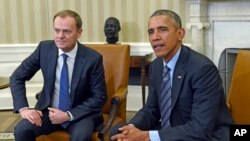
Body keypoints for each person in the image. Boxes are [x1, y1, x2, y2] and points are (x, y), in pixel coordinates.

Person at [110, 9, 233, 141]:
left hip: (206, 134)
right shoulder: (156, 66)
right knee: (116, 133)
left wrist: (146, 136)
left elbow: (200, 129)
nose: (155, 37)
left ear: (180, 34)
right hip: (172, 130)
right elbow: (151, 109)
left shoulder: (203, 69)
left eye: (162, 30)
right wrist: (130, 128)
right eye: (151, 32)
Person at [10, 9, 107, 141]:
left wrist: (68, 115)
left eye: (66, 31)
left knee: (81, 137)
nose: (60, 36)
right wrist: (24, 109)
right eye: (57, 30)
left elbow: (99, 96)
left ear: (79, 33)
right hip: (49, 112)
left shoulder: (92, 58)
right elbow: (17, 77)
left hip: (80, 114)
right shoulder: (44, 49)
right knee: (22, 130)